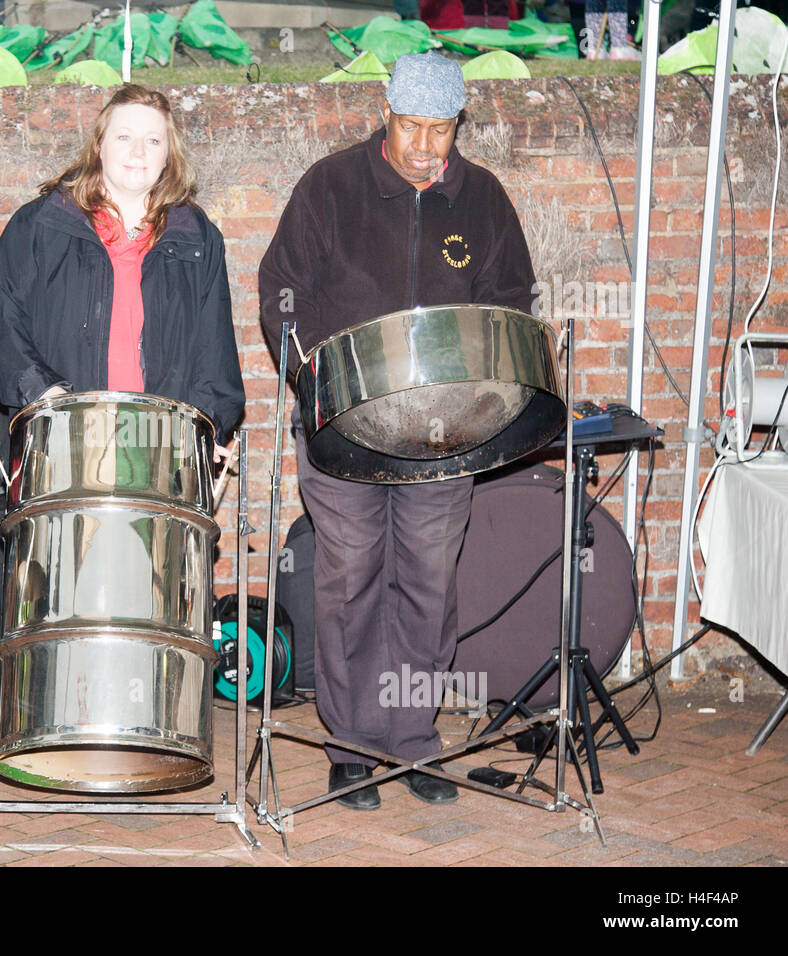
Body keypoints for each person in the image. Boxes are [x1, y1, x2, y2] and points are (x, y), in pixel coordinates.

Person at [259, 52, 537, 810]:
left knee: (425, 583)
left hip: (447, 433)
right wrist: (318, 369)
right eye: (411, 126)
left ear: (458, 126)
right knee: (348, 582)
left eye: (440, 130)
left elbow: (511, 300)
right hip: (345, 422)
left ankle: (411, 742)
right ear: (386, 113)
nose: (424, 146)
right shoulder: (330, 186)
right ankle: (351, 747)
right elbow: (282, 289)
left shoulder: (481, 199)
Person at [0, 84, 244, 454]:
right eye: (124, 137)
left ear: (169, 155)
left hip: (159, 445)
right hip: (63, 438)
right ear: (99, 146)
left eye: (153, 141)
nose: (138, 152)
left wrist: (203, 426)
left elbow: (215, 352)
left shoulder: (199, 239)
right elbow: (3, 326)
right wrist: (48, 398)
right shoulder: (40, 225)